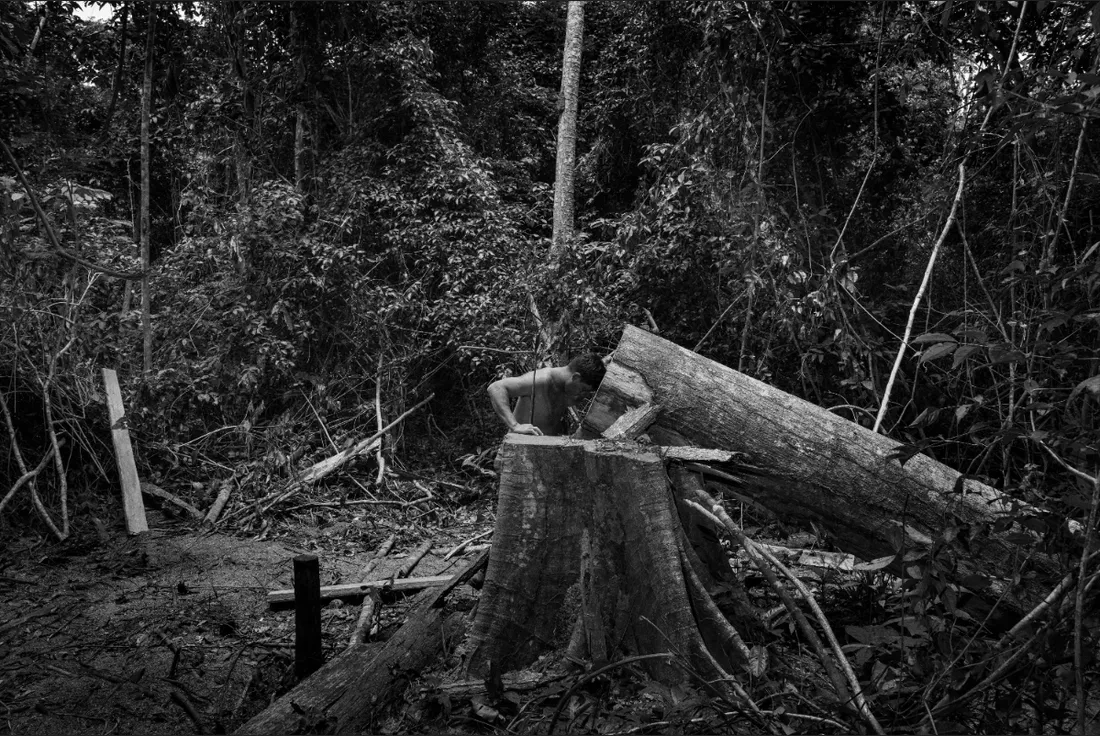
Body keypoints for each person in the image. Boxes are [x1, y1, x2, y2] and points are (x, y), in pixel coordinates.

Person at [487, 353, 606, 436]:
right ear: (575, 377)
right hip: (519, 448)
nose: (583, 394)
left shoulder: (568, 388)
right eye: (583, 389)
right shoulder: (542, 379)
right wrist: (515, 425)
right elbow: (496, 388)